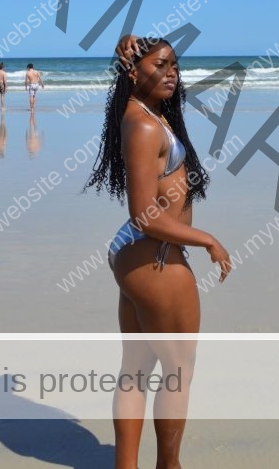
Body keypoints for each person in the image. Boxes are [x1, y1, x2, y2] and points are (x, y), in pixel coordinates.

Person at [85, 34, 232, 469]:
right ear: (135, 72)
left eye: (175, 66)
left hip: (136, 254)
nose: (172, 73)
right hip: (157, 255)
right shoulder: (146, 124)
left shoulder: (143, 115)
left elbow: (129, 54)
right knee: (177, 371)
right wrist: (207, 239)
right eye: (161, 65)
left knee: (136, 368)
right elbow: (145, 214)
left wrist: (126, 43)